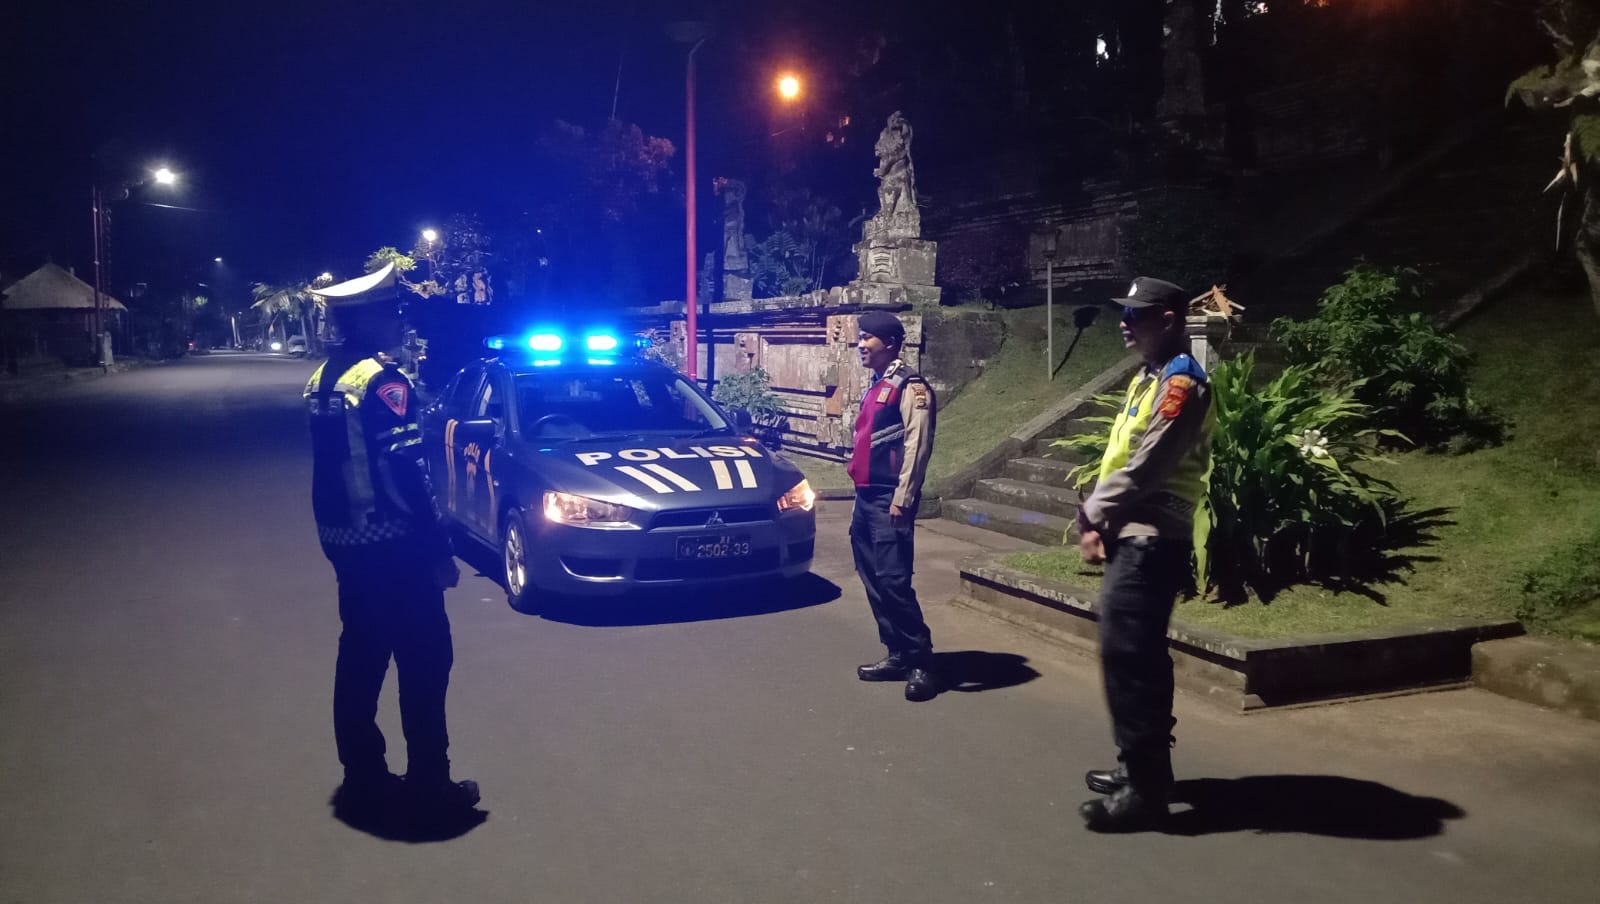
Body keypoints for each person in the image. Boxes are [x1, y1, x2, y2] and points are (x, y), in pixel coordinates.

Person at [304, 268, 479, 816]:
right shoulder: (383, 382)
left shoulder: (323, 379)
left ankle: (363, 776)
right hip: (393, 543)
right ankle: (431, 783)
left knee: (360, 657)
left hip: (344, 539)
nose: (400, 322)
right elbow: (407, 472)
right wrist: (438, 548)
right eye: (392, 313)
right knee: (426, 660)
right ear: (367, 319)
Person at [1075, 276, 1215, 832]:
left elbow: (1147, 465)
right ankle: (1143, 766)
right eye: (1124, 313)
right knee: (1139, 655)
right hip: (1134, 529)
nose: (1124, 323)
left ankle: (1145, 790)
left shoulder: (1181, 382)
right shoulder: (1150, 376)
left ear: (1170, 320)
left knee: (1129, 657)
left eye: (1137, 314)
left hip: (1152, 535)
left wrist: (1093, 512)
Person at [848, 310, 939, 702]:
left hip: (890, 500)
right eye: (860, 337)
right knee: (872, 577)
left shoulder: (910, 387)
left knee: (893, 581)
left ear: (889, 343)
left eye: (867, 338)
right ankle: (897, 653)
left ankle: (921, 662)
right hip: (866, 498)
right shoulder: (877, 384)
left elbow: (917, 446)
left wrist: (903, 498)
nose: (861, 344)